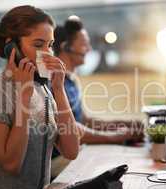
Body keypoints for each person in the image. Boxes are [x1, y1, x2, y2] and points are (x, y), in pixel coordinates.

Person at [0, 6, 80, 189]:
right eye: (38, 45)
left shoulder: (44, 90)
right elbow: (11, 164)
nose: (47, 53)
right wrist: (24, 97)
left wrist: (59, 90)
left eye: (50, 45)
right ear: (12, 47)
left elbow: (71, 151)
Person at [50, 18, 144, 177]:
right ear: (66, 47)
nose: (89, 49)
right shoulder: (55, 82)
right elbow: (71, 129)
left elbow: (84, 121)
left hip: (75, 152)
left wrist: (123, 124)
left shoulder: (72, 79)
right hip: (58, 160)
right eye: (84, 44)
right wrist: (116, 136)